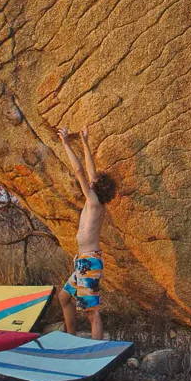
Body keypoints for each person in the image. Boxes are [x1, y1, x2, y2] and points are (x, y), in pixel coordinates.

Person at [56, 126, 117, 340]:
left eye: (94, 183)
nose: (92, 181)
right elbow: (91, 173)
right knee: (64, 297)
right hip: (82, 262)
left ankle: (96, 350)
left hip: (89, 263)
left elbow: (80, 172)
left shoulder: (93, 201)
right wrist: (85, 143)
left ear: (97, 188)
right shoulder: (96, 199)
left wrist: (66, 144)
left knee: (92, 312)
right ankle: (70, 338)